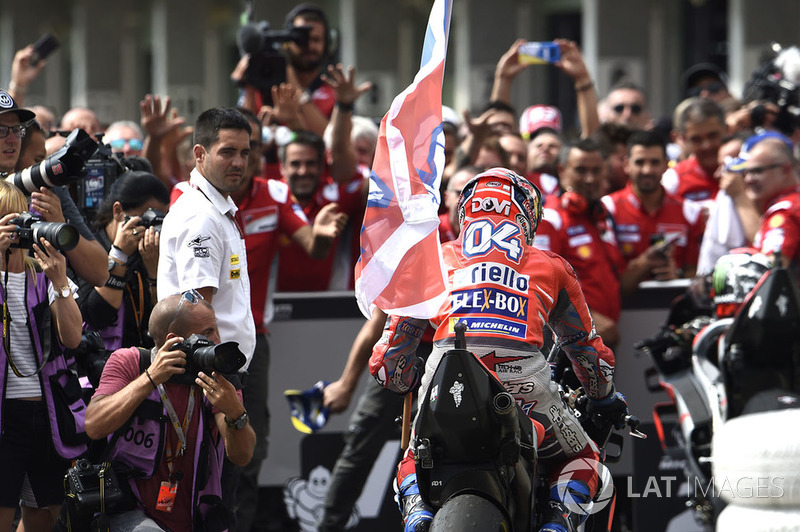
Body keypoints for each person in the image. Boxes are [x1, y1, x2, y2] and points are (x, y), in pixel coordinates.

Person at [369, 168, 626, 532]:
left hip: (446, 377)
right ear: (527, 214)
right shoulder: (552, 265)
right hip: (523, 384)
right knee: (585, 457)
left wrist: (406, 378)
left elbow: (386, 364)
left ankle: (417, 515)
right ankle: (558, 520)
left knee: (412, 458)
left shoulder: (429, 260)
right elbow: (587, 350)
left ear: (464, 211)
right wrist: (604, 398)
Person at [228, 107, 346, 531]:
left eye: (251, 149)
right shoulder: (186, 198)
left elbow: (312, 245)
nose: (242, 160)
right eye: (232, 150)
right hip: (196, 342)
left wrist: (324, 232)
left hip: (252, 342)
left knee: (249, 447)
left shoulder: (274, 195)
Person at [84, 292, 256, 531]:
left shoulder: (217, 378)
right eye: (207, 333)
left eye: (216, 329)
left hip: (195, 518)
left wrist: (235, 413)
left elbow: (242, 455)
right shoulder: (130, 362)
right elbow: (94, 425)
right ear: (175, 341)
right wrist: (151, 378)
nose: (217, 339)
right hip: (127, 513)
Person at [0, 180, 84, 531]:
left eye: (20, 219)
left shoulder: (42, 272)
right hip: (4, 419)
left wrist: (61, 281)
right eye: (6, 222)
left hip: (44, 413)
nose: (17, 231)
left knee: (45, 515)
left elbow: (73, 337)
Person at [158, 106, 257, 367]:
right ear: (199, 154)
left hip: (219, 369)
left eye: (244, 153)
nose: (238, 163)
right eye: (227, 152)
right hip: (210, 371)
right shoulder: (201, 216)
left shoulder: (214, 209)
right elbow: (196, 314)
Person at [0, 94, 109, 288]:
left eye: (16, 130)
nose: (11, 139)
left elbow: (100, 273)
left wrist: (60, 225)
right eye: (1, 131)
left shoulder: (46, 188)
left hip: (44, 310)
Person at [534, 139, 625, 348]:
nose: (590, 178)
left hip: (604, 341)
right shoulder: (551, 218)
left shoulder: (602, 217)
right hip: (568, 343)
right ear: (561, 170)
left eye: (596, 170)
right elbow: (541, 284)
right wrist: (585, 320)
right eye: (581, 170)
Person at [602, 130, 705, 295]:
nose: (647, 170)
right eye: (640, 162)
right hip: (624, 313)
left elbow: (696, 273)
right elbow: (606, 277)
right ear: (627, 164)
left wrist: (677, 276)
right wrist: (645, 263)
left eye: (655, 162)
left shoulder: (690, 211)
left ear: (666, 165)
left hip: (674, 311)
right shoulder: (607, 209)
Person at [78, 171, 169, 355]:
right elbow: (96, 316)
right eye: (147, 218)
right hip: (99, 365)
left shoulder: (153, 252)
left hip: (146, 360)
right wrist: (119, 255)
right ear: (118, 211)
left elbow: (166, 323)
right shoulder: (90, 248)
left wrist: (154, 273)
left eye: (161, 219)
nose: (153, 228)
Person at [726, 131, 800, 268]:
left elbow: (772, 271)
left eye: (757, 171)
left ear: (785, 170)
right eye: (746, 172)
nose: (748, 179)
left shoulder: (784, 213)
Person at [662, 97, 726, 206]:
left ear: (726, 130)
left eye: (712, 136)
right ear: (683, 139)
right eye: (696, 139)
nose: (706, 146)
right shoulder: (673, 180)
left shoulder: (747, 171)